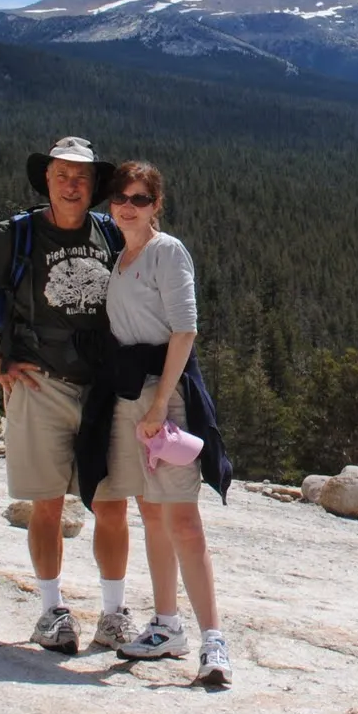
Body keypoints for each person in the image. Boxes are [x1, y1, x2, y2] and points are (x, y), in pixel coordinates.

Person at [0, 137, 140, 656]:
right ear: (46, 179)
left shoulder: (111, 235)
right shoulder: (16, 236)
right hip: (39, 383)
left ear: (94, 187)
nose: (73, 185)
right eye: (63, 175)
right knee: (46, 505)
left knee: (111, 506)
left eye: (83, 177)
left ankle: (113, 616)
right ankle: (51, 612)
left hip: (102, 390)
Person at [77, 159, 234, 686]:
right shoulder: (122, 257)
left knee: (183, 521)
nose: (127, 205)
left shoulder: (167, 252)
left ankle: (213, 641)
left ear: (156, 205)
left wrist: (158, 405)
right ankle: (167, 626)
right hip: (130, 397)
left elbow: (185, 332)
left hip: (162, 398)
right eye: (120, 197)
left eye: (140, 198)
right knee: (152, 513)